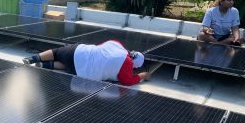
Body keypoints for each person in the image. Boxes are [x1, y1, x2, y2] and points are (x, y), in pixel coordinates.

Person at [22, 40, 150, 86]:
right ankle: (44, 65)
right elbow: (127, 81)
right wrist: (142, 75)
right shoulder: (127, 65)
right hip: (82, 72)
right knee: (68, 66)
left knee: (57, 53)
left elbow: (102, 47)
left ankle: (34, 58)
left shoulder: (117, 44)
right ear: (134, 65)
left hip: (79, 52)